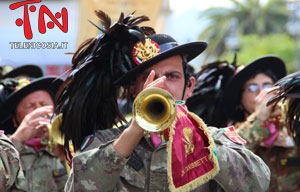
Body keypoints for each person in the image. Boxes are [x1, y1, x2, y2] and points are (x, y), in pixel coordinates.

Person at [56, 10, 270, 191]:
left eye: (172, 76)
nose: (161, 85)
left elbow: (258, 183)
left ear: (189, 87)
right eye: (148, 78)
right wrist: (134, 131)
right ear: (134, 90)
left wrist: (196, 137)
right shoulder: (105, 141)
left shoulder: (217, 139)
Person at [223, 56, 300, 192]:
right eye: (252, 88)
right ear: (240, 102)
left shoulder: (292, 128)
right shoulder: (229, 136)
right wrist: (259, 118)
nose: (262, 92)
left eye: (268, 85)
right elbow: (227, 160)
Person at [0, 76, 68, 192]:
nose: (39, 110)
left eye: (44, 104)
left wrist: (64, 153)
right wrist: (16, 139)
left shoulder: (67, 146)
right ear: (14, 120)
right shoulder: (4, 147)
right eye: (30, 106)